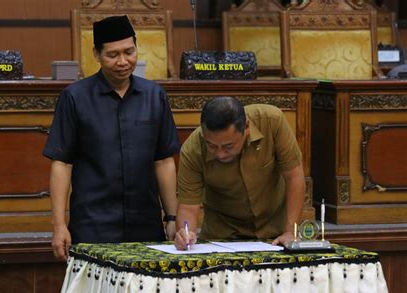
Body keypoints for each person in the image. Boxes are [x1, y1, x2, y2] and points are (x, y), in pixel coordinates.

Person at [43, 15, 180, 261]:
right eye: (113, 55)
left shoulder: (154, 96)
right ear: (96, 54)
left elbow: (164, 161)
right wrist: (59, 224)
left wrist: (172, 217)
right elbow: (62, 163)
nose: (123, 62)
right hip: (93, 226)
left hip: (145, 225)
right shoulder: (75, 98)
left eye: (129, 52)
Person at [174, 96, 305, 249]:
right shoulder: (192, 150)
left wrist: (290, 231)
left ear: (246, 128)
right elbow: (188, 206)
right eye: (211, 146)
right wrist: (185, 234)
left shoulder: (271, 121)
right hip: (222, 239)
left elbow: (294, 177)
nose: (220, 154)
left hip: (276, 233)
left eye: (228, 146)